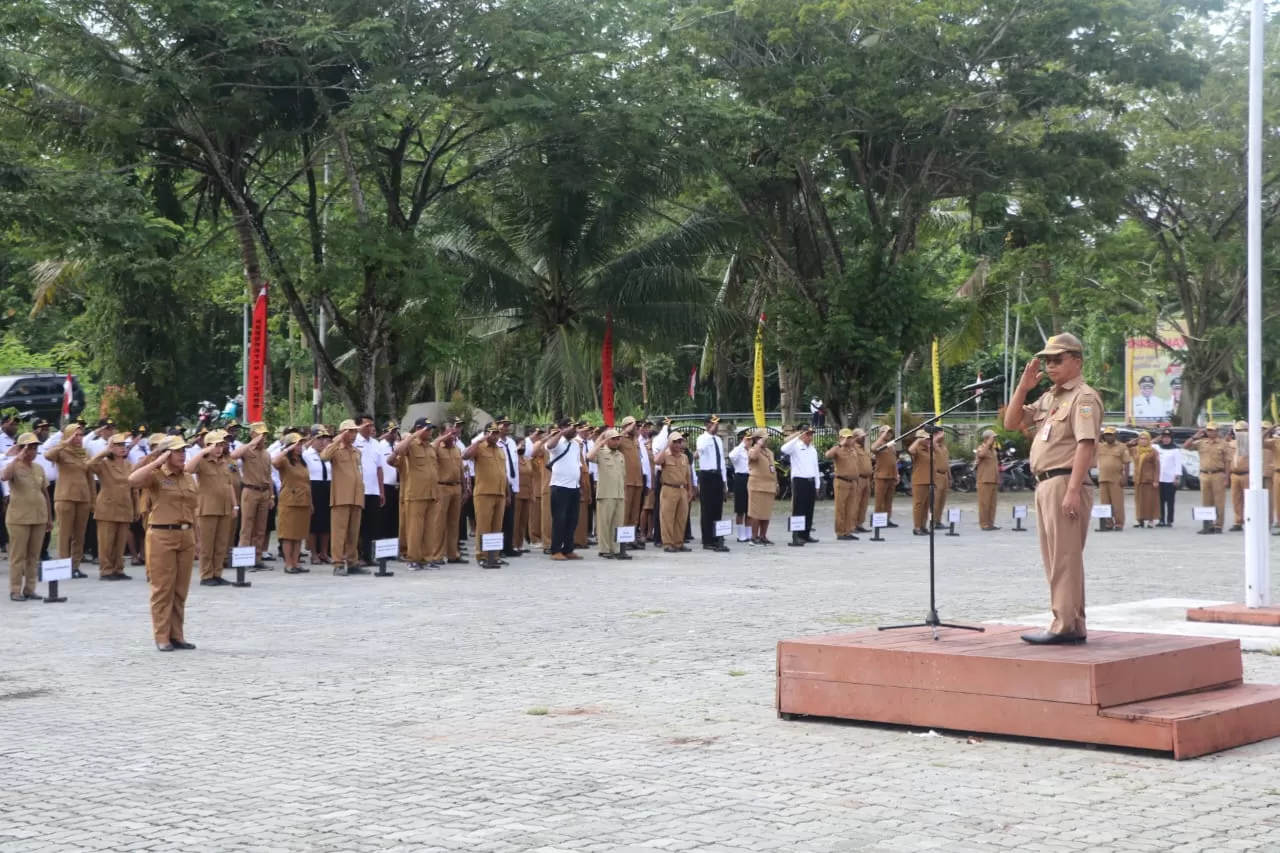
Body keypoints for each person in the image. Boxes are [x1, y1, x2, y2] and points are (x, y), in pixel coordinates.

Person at [1004, 332, 1101, 645]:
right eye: (1047, 360)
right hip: (1046, 483)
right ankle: (1073, 623)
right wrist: (1023, 387)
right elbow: (1011, 422)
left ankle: (1064, 624)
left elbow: (1086, 444)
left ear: (1077, 361)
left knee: (1064, 558)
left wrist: (1072, 490)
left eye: (1058, 359)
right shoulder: (1050, 397)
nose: (1050, 365)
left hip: (1064, 481)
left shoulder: (1083, 398)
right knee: (1058, 557)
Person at [129, 435, 199, 652]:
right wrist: (157, 460)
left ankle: (177, 635)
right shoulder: (156, 476)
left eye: (183, 451)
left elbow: (193, 510)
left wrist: (197, 539)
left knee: (180, 590)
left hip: (186, 535)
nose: (182, 455)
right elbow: (132, 480)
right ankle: (162, 636)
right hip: (162, 535)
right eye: (177, 451)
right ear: (166, 454)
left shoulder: (188, 477)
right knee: (162, 589)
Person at [3, 433, 52, 601]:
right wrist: (17, 458)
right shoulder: (13, 465)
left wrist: (49, 517)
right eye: (29, 448)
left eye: (34, 448)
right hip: (19, 518)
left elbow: (45, 493)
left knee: (34, 555)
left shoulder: (38, 468)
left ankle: (30, 589)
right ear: (20, 448)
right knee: (18, 556)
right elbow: (4, 476)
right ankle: (15, 590)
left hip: (39, 516)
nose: (32, 451)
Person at [185, 430, 237, 586]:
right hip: (207, 508)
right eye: (216, 445)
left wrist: (235, 505)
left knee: (221, 544)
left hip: (224, 508)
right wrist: (203, 452)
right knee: (207, 544)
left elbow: (229, 485)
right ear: (208, 446)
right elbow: (188, 469)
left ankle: (217, 573)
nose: (219, 449)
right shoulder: (202, 462)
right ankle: (206, 575)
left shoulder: (225, 462)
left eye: (221, 445)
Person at [43, 423, 94, 579]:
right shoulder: (62, 451)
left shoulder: (84, 453)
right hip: (65, 497)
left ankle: (75, 566)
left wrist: (93, 500)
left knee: (80, 535)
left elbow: (90, 479)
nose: (78, 438)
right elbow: (48, 455)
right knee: (65, 534)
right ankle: (63, 566)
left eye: (80, 435)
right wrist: (64, 442)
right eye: (75, 435)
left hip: (83, 498)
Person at [87, 433, 135, 580]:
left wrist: (137, 507)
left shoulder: (128, 465)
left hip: (125, 506)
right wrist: (105, 451)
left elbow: (134, 487)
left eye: (123, 445)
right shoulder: (104, 464)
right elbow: (90, 465)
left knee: (120, 542)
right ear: (111, 447)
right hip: (107, 506)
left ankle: (118, 568)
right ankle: (106, 570)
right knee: (106, 541)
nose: (122, 448)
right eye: (118, 445)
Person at [462, 422, 510, 568]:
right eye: (492, 433)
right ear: (486, 433)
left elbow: (504, 473)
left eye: (497, 433)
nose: (495, 436)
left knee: (497, 526)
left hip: (500, 493)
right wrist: (479, 441)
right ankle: (482, 555)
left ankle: (494, 556)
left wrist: (507, 493)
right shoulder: (479, 447)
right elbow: (465, 455)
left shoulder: (500, 450)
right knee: (483, 526)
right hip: (484, 493)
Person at [321, 419, 366, 575]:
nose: (355, 435)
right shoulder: (335, 449)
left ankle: (353, 562)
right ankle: (338, 563)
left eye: (355, 432)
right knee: (339, 532)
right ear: (344, 433)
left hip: (356, 496)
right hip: (341, 496)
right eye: (351, 432)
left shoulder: (356, 451)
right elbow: (324, 456)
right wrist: (337, 440)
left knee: (354, 532)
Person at [394, 418, 438, 571]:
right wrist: (413, 435)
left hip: (431, 493)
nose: (430, 432)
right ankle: (413, 559)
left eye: (431, 429)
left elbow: (434, 470)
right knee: (415, 529)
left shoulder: (430, 448)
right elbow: (397, 451)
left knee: (429, 529)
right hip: (416, 494)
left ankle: (427, 558)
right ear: (418, 429)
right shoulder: (411, 445)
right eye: (427, 429)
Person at [230, 423, 273, 568]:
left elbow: (269, 476)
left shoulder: (266, 454)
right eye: (260, 434)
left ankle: (257, 558)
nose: (263, 437)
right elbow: (233, 456)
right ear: (252, 434)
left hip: (264, 492)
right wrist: (251, 443)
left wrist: (271, 496)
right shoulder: (247, 450)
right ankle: (244, 560)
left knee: (260, 528)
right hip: (250, 490)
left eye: (264, 435)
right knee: (246, 527)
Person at [541, 419, 583, 561]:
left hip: (574, 486)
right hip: (560, 486)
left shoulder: (576, 445)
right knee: (559, 519)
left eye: (575, 427)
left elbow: (578, 465)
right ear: (563, 428)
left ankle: (568, 549)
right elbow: (549, 445)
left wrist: (580, 485)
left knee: (572, 520)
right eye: (571, 427)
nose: (574, 429)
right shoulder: (557, 442)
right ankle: (556, 550)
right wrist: (561, 433)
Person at [272, 432, 313, 573]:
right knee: (288, 534)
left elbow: (307, 483)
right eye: (297, 444)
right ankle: (288, 564)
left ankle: (296, 562)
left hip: (304, 501)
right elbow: (274, 461)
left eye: (301, 444)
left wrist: (311, 502)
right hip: (289, 501)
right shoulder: (285, 460)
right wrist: (287, 449)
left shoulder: (302, 462)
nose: (300, 447)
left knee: (299, 534)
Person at [588, 428, 630, 560]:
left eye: (618, 439)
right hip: (606, 493)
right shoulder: (601, 453)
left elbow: (623, 476)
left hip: (619, 493)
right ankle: (604, 549)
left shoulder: (620, 455)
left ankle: (616, 549)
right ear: (607, 440)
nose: (616, 441)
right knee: (604, 523)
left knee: (618, 523)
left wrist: (624, 493)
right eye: (613, 439)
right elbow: (589, 457)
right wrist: (601, 442)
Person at [352, 415, 386, 566]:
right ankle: (356, 555)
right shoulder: (354, 441)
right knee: (357, 525)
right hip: (359, 489)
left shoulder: (376, 443)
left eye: (372, 425)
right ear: (358, 426)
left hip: (373, 490)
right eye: (367, 425)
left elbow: (379, 468)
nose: (370, 428)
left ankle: (368, 556)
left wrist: (382, 491)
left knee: (371, 525)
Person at [430, 422, 465, 565]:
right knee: (439, 523)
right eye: (449, 433)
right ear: (442, 433)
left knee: (454, 523)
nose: (452, 436)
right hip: (442, 487)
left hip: (456, 487)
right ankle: (436, 555)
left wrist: (465, 488)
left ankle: (452, 554)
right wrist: (441, 439)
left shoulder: (457, 449)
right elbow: (431, 447)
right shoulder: (438, 448)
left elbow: (461, 470)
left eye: (454, 433)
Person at [694, 415, 730, 552]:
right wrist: (709, 433)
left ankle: (717, 538)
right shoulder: (702, 438)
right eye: (713, 423)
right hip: (707, 475)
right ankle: (707, 540)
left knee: (717, 509)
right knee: (707, 509)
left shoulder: (718, 440)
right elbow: (701, 449)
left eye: (717, 423)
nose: (716, 426)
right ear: (707, 424)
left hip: (718, 476)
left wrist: (725, 483)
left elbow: (722, 462)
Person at [780, 426, 821, 546]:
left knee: (809, 508)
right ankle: (796, 535)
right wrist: (797, 436)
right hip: (799, 480)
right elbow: (783, 449)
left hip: (811, 480)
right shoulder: (796, 446)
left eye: (811, 434)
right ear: (802, 435)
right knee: (799, 508)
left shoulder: (812, 449)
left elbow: (815, 467)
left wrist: (817, 484)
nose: (810, 437)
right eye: (808, 434)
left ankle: (806, 535)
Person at [655, 431, 694, 553]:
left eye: (680, 441)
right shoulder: (666, 455)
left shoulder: (684, 457)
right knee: (667, 517)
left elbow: (688, 475)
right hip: (669, 488)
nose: (678, 444)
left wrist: (690, 489)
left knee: (681, 517)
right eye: (675, 442)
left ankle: (678, 542)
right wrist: (666, 447)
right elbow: (657, 461)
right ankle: (668, 543)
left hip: (682, 489)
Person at [1184, 423, 1226, 533]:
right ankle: (1207, 525)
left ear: (1217, 431)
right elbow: (1186, 446)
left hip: (1218, 474)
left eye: (1212, 430)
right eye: (1208, 430)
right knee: (1206, 501)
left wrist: (1227, 476)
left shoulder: (1223, 444)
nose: (1209, 432)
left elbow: (1227, 461)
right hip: (1204, 474)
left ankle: (1218, 525)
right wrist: (1196, 436)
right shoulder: (1201, 442)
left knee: (1219, 501)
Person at [825, 429, 861, 541]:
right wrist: (840, 444)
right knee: (840, 508)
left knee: (851, 508)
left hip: (853, 482)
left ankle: (848, 531)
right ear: (840, 438)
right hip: (842, 481)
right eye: (846, 438)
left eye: (850, 438)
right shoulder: (837, 449)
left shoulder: (853, 450)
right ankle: (840, 532)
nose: (848, 440)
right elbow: (827, 455)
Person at [303, 427, 332, 564]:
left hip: (327, 486)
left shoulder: (328, 454)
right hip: (314, 487)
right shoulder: (307, 454)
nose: (321, 442)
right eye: (318, 439)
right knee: (313, 523)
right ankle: (314, 553)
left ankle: (324, 553)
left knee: (327, 522)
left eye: (324, 439)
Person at [616, 417, 644, 551]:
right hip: (627, 481)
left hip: (637, 481)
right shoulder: (621, 439)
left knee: (634, 513)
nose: (636, 427)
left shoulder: (635, 440)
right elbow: (613, 443)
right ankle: (622, 541)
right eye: (633, 425)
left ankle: (630, 538)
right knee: (625, 513)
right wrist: (625, 431)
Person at [1096, 427, 1131, 531]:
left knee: (1117, 503)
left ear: (1115, 436)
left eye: (1110, 435)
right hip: (1103, 478)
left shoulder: (1122, 447)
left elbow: (1127, 463)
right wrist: (1098, 434)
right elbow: (1092, 441)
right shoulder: (1100, 446)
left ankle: (1119, 523)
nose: (1108, 437)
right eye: (1106, 435)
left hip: (1116, 479)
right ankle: (1108, 524)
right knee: (1104, 503)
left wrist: (1125, 477)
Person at [746, 429, 777, 545]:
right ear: (757, 439)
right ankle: (754, 537)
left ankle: (763, 535)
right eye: (765, 438)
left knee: (766, 512)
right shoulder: (753, 450)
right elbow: (753, 457)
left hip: (769, 486)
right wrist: (759, 444)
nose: (767, 440)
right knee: (756, 513)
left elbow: (773, 468)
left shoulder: (769, 452)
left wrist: (776, 483)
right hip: (757, 486)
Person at [907, 431, 935, 536]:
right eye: (926, 439)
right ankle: (917, 527)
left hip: (929, 480)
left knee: (926, 505)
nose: (928, 441)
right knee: (919, 504)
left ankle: (923, 525)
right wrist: (918, 440)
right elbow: (910, 450)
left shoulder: (929, 449)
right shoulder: (917, 449)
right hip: (919, 480)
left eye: (929, 439)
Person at [871, 426, 899, 527]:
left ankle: (887, 519)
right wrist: (882, 437)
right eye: (886, 432)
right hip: (881, 476)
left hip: (891, 476)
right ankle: (878, 520)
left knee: (889, 500)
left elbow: (893, 461)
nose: (889, 434)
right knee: (880, 500)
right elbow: (873, 448)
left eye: (890, 432)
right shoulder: (879, 444)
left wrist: (897, 474)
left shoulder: (891, 445)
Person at [1227, 420, 1252, 531]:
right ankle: (1238, 521)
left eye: (1244, 430)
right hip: (1234, 474)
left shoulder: (1251, 443)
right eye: (1238, 430)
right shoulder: (1231, 443)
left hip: (1247, 474)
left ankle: (1250, 520)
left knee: (1249, 500)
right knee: (1236, 500)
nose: (1241, 433)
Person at [1156, 429, 1184, 527]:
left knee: (1170, 500)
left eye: (1168, 438)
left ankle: (1169, 520)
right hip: (1160, 478)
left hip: (1170, 479)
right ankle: (1161, 519)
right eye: (1164, 437)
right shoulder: (1158, 448)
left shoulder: (1175, 450)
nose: (1166, 439)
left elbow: (1178, 465)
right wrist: (1157, 438)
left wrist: (1177, 477)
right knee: (1160, 500)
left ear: (1171, 438)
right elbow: (1148, 444)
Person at [728, 430, 752, 543]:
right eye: (747, 439)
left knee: (750, 509)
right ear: (741, 439)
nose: (749, 441)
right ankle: (741, 535)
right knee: (740, 509)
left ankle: (749, 534)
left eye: (750, 439)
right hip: (741, 478)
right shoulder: (738, 450)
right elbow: (731, 456)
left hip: (751, 478)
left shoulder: (751, 450)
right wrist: (742, 444)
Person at [1132, 431, 1159, 528]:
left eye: (1145, 439)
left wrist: (1156, 480)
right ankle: (1140, 519)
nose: (1143, 441)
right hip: (1138, 479)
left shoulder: (1153, 451)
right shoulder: (1135, 450)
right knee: (1139, 501)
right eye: (1141, 439)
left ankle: (1151, 520)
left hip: (1149, 480)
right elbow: (1125, 447)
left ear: (1149, 440)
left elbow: (1157, 467)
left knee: (1150, 501)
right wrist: (1132, 442)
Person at [974, 430, 1000, 530]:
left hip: (993, 479)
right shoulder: (981, 448)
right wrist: (988, 444)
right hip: (984, 480)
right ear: (986, 439)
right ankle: (984, 524)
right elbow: (981, 455)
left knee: (992, 504)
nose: (994, 440)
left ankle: (990, 523)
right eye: (993, 438)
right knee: (984, 504)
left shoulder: (993, 450)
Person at [931, 431, 951, 530]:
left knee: (942, 500)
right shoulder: (933, 445)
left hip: (945, 475)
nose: (942, 436)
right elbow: (931, 444)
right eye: (939, 434)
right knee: (936, 500)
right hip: (937, 475)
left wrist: (950, 477)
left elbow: (947, 462)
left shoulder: (944, 447)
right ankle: (933, 521)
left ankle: (938, 521)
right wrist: (936, 437)